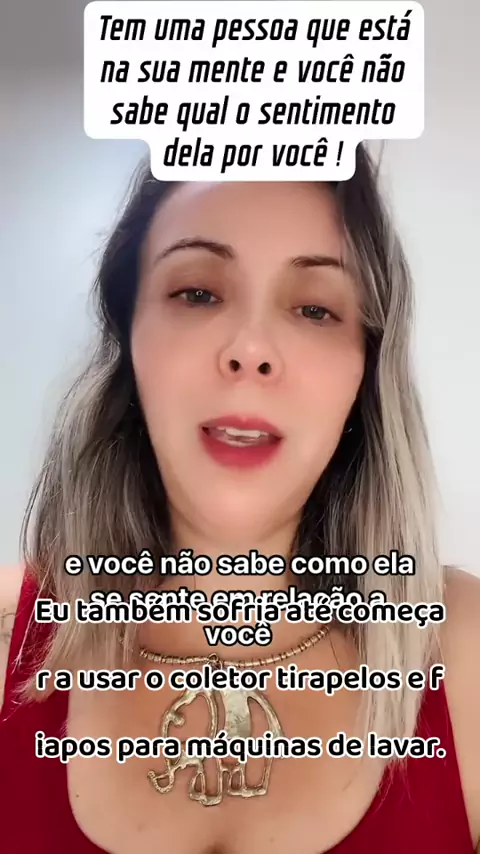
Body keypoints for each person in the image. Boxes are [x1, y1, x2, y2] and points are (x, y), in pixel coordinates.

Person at [1, 144, 480, 853]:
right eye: (198, 292)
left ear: (364, 373)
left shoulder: (465, 649)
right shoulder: (8, 634)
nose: (251, 349)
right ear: (129, 339)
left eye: (315, 308)